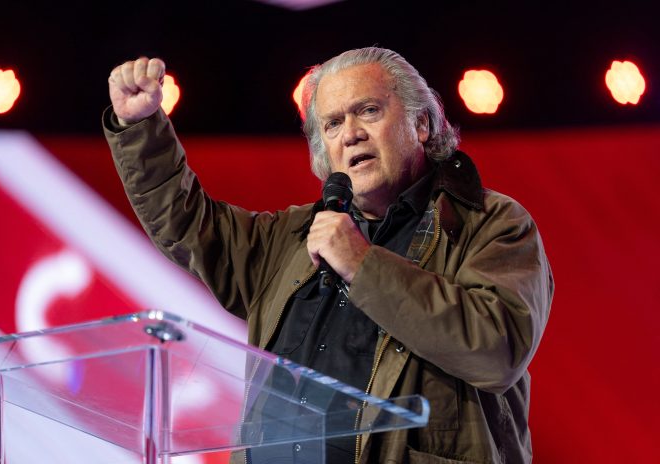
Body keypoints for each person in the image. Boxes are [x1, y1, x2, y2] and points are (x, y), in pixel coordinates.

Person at [103, 47, 553, 464]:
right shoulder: (293, 237)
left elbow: (497, 348)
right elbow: (188, 225)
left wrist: (363, 264)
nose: (351, 134)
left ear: (421, 124)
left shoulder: (490, 223)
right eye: (333, 124)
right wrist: (141, 128)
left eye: (369, 111)